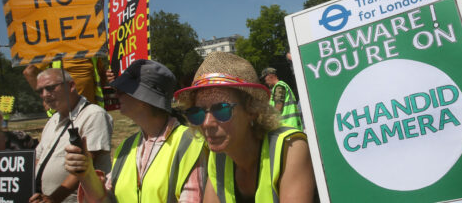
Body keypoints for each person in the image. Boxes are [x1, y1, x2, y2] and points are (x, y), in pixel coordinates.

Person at [174, 52, 315, 202]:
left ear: (252, 109)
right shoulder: (219, 156)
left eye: (221, 109)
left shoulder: (290, 147)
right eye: (197, 112)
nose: (207, 123)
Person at [64, 59, 208, 202]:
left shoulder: (190, 143)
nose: (116, 94)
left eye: (122, 90)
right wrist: (87, 174)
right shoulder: (125, 148)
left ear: (143, 98)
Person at [30, 68, 113, 203]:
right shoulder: (52, 120)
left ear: (71, 86)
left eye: (50, 88)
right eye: (40, 91)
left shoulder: (93, 114)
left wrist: (54, 198)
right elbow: (38, 160)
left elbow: (83, 166)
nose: (45, 94)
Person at [24, 58, 107, 107]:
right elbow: (29, 72)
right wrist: (46, 98)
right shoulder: (53, 49)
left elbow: (102, 74)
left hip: (90, 111)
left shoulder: (91, 50)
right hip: (63, 114)